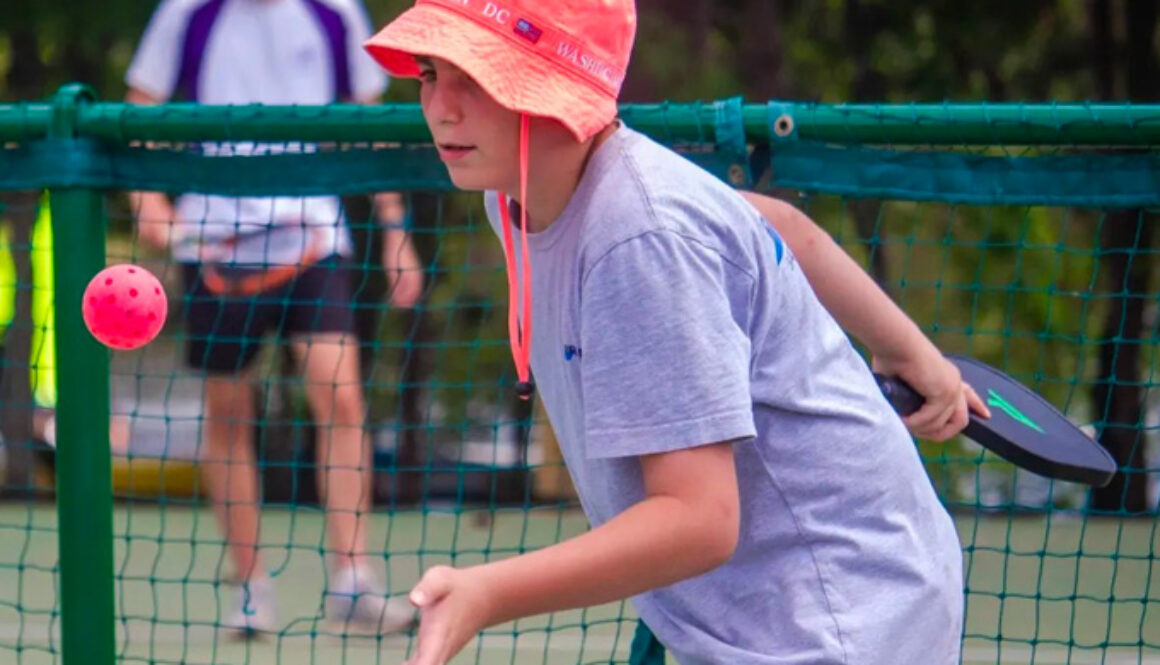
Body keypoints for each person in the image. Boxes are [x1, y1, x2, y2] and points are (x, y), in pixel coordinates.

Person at [362, 1, 990, 664]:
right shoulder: (516, 188)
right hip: (772, 610)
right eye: (431, 73)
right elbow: (773, 222)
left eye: (478, 78)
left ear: (559, 89)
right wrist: (906, 348)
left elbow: (699, 520)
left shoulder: (638, 236)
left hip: (839, 620)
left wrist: (486, 593)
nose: (441, 107)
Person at [125, 0, 424, 637]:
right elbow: (139, 103)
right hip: (212, 238)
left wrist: (396, 232)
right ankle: (251, 590)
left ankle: (352, 584)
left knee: (341, 397)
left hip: (314, 234)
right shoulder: (187, 12)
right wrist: (147, 198)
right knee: (230, 413)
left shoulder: (336, 12)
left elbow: (370, 124)